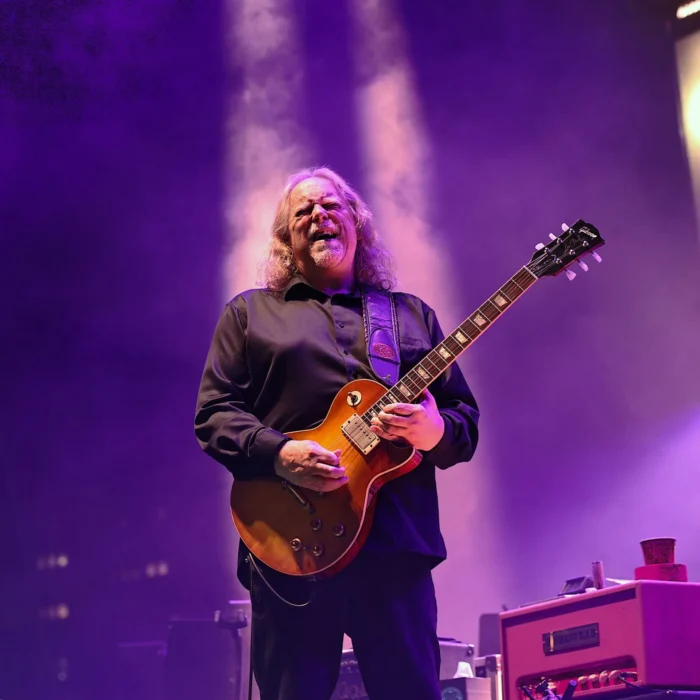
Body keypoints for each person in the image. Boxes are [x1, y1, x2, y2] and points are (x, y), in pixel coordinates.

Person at [194, 167, 480, 700]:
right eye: (302, 212)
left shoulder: (409, 317)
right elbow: (214, 414)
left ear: (357, 225)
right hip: (288, 546)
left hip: (395, 547)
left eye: (331, 206)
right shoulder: (251, 315)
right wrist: (281, 455)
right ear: (286, 240)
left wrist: (434, 428)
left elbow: (465, 424)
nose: (318, 216)